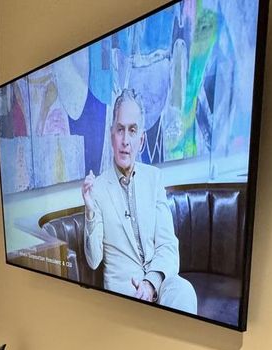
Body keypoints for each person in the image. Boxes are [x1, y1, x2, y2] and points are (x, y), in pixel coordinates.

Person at [82, 89, 197, 314]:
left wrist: (151, 283)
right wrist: (89, 210)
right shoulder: (98, 188)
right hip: (126, 294)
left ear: (141, 139)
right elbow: (93, 260)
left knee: (184, 290)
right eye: (120, 130)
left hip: (158, 285)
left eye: (132, 130)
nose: (125, 140)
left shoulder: (154, 178)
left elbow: (167, 246)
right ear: (111, 135)